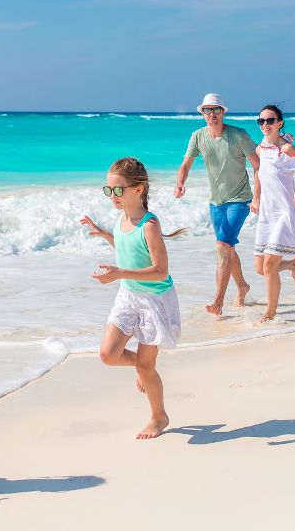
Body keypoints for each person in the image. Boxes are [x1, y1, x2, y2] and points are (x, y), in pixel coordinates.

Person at [80, 158, 187, 439]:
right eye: (109, 190)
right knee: (108, 354)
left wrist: (119, 273)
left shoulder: (150, 225)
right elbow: (127, 246)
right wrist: (105, 234)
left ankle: (158, 417)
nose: (112, 196)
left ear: (138, 190)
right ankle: (141, 366)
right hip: (128, 295)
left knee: (146, 367)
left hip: (154, 300)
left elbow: (160, 270)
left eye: (118, 190)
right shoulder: (121, 219)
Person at [175, 93, 260, 315]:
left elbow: (258, 166)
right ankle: (242, 286)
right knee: (227, 249)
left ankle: (217, 302)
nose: (212, 114)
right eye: (207, 110)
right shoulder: (197, 137)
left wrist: (258, 196)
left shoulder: (239, 135)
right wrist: (180, 183)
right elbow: (185, 164)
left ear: (223, 112)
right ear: (202, 113)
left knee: (222, 246)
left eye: (216, 110)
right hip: (216, 202)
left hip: (240, 199)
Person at [250, 105, 295, 322]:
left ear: (279, 123)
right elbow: (258, 172)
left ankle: (270, 313)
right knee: (261, 268)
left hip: (285, 213)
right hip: (267, 215)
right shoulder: (260, 148)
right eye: (261, 121)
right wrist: (256, 197)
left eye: (270, 120)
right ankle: (291, 264)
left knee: (270, 264)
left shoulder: (287, 150)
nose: (265, 125)